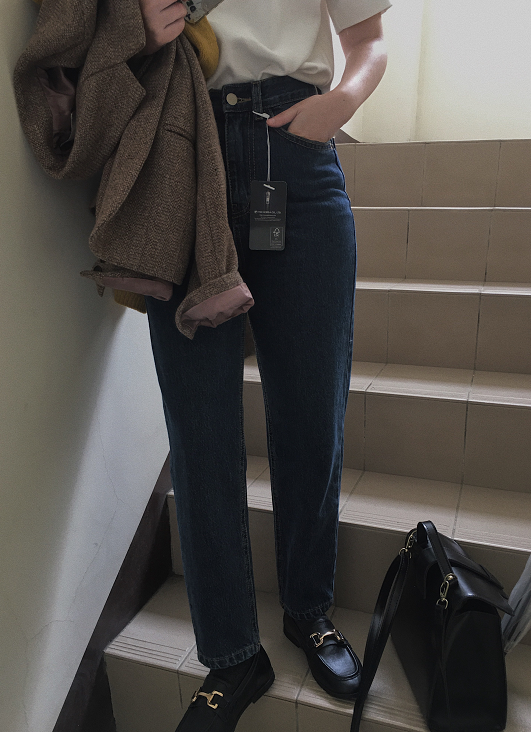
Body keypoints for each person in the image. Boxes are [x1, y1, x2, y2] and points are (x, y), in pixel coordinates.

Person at [138, 1, 390, 730]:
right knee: (200, 433)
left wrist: (340, 103)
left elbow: (370, 40)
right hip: (182, 152)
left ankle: (308, 610)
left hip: (295, 157)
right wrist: (135, 31)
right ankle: (232, 655)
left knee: (312, 413)